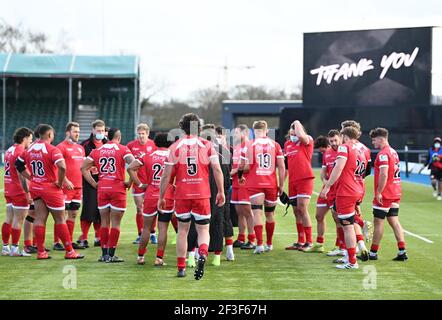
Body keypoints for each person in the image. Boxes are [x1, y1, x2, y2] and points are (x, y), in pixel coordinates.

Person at [158, 113, 225, 279]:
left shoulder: (175, 146)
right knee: (203, 230)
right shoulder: (207, 145)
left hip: (182, 194)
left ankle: (181, 267)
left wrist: (161, 196)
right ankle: (202, 253)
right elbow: (217, 170)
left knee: (182, 230)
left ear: (182, 127)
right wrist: (221, 191)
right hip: (202, 193)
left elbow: (166, 175)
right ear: (199, 127)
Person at [15, 124, 84, 260]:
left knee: (40, 218)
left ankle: (41, 252)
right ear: (49, 135)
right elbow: (62, 166)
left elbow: (18, 164)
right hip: (50, 188)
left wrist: (31, 177)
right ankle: (70, 251)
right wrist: (59, 182)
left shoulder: (30, 149)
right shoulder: (52, 149)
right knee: (60, 219)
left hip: (35, 187)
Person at [81, 128, 135, 263]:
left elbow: (83, 168)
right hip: (118, 189)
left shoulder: (97, 151)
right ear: (119, 137)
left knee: (105, 222)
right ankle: (111, 254)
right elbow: (134, 164)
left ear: (107, 136)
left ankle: (104, 254)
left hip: (103, 188)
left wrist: (94, 183)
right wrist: (130, 181)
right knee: (116, 223)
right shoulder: (123, 149)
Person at [320, 126, 365, 269]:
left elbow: (338, 168)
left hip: (346, 191)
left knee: (347, 226)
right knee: (349, 223)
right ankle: (349, 255)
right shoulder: (361, 150)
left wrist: (327, 186)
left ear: (344, 136)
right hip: (357, 189)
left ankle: (352, 261)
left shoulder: (345, 148)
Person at [127, 132, 174, 266]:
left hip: (150, 195)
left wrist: (140, 184)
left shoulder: (148, 155)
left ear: (156, 143)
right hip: (166, 196)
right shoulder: (172, 157)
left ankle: (140, 257)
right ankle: (159, 258)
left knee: (146, 228)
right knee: (163, 228)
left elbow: (130, 168)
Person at [246, 120, 285, 254]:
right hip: (271, 184)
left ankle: (259, 245)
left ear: (253, 131)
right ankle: (269, 243)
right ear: (266, 130)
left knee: (257, 213)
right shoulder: (275, 145)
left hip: (255, 183)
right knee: (270, 214)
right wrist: (281, 185)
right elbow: (282, 167)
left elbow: (245, 167)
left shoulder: (250, 145)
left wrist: (240, 173)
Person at [369, 128, 408, 261]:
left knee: (378, 223)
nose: (373, 143)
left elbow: (384, 174)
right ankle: (402, 251)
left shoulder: (383, 154)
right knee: (394, 221)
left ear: (381, 138)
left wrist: (378, 192)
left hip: (386, 193)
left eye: (374, 140)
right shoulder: (394, 152)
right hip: (395, 191)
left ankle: (373, 253)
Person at [309, 131, 343, 254]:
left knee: (338, 219)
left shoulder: (344, 152)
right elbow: (323, 172)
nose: (333, 143)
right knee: (319, 215)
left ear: (340, 138)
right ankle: (319, 244)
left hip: (338, 190)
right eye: (331, 141)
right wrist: (326, 183)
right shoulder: (327, 153)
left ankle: (339, 246)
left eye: (335, 140)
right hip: (326, 189)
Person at [2, 127, 34, 257]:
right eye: (30, 140)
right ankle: (15, 249)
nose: (30, 142)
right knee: (19, 219)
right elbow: (21, 174)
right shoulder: (21, 151)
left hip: (8, 188)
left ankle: (5, 247)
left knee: (8, 218)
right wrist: (27, 192)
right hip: (18, 190)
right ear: (24, 138)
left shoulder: (10, 149)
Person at [53, 122, 85, 250]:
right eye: (75, 131)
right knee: (62, 215)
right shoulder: (60, 147)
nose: (77, 134)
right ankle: (57, 242)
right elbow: (56, 167)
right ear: (68, 132)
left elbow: (81, 166)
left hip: (78, 187)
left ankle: (69, 241)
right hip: (65, 187)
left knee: (73, 214)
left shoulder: (80, 148)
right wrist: (65, 181)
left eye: (78, 131)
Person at [284, 120, 314, 251]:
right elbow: (286, 165)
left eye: (294, 132)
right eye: (291, 133)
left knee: (302, 209)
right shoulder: (287, 144)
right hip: (293, 180)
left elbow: (301, 135)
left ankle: (309, 241)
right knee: (296, 211)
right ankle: (300, 241)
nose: (293, 134)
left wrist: (296, 123)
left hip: (305, 179)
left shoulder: (306, 141)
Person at [78, 120, 108, 248]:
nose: (100, 133)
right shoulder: (85, 145)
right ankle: (83, 237)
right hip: (89, 180)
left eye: (102, 130)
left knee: (100, 210)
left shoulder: (107, 144)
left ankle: (98, 237)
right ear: (93, 130)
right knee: (88, 209)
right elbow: (81, 164)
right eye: (98, 130)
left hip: (104, 180)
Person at [126, 123, 157, 245]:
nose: (141, 136)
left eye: (143, 134)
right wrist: (130, 181)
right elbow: (128, 166)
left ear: (147, 134)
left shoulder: (153, 145)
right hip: (138, 183)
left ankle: (153, 233)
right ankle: (140, 234)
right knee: (139, 209)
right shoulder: (131, 145)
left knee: (152, 210)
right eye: (139, 134)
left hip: (151, 183)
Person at [230, 125, 256, 250]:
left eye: (236, 133)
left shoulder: (249, 146)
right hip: (236, 184)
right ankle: (241, 238)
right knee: (239, 211)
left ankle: (252, 239)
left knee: (247, 212)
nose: (234, 135)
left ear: (245, 133)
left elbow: (249, 166)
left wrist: (234, 171)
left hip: (245, 183)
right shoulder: (236, 147)